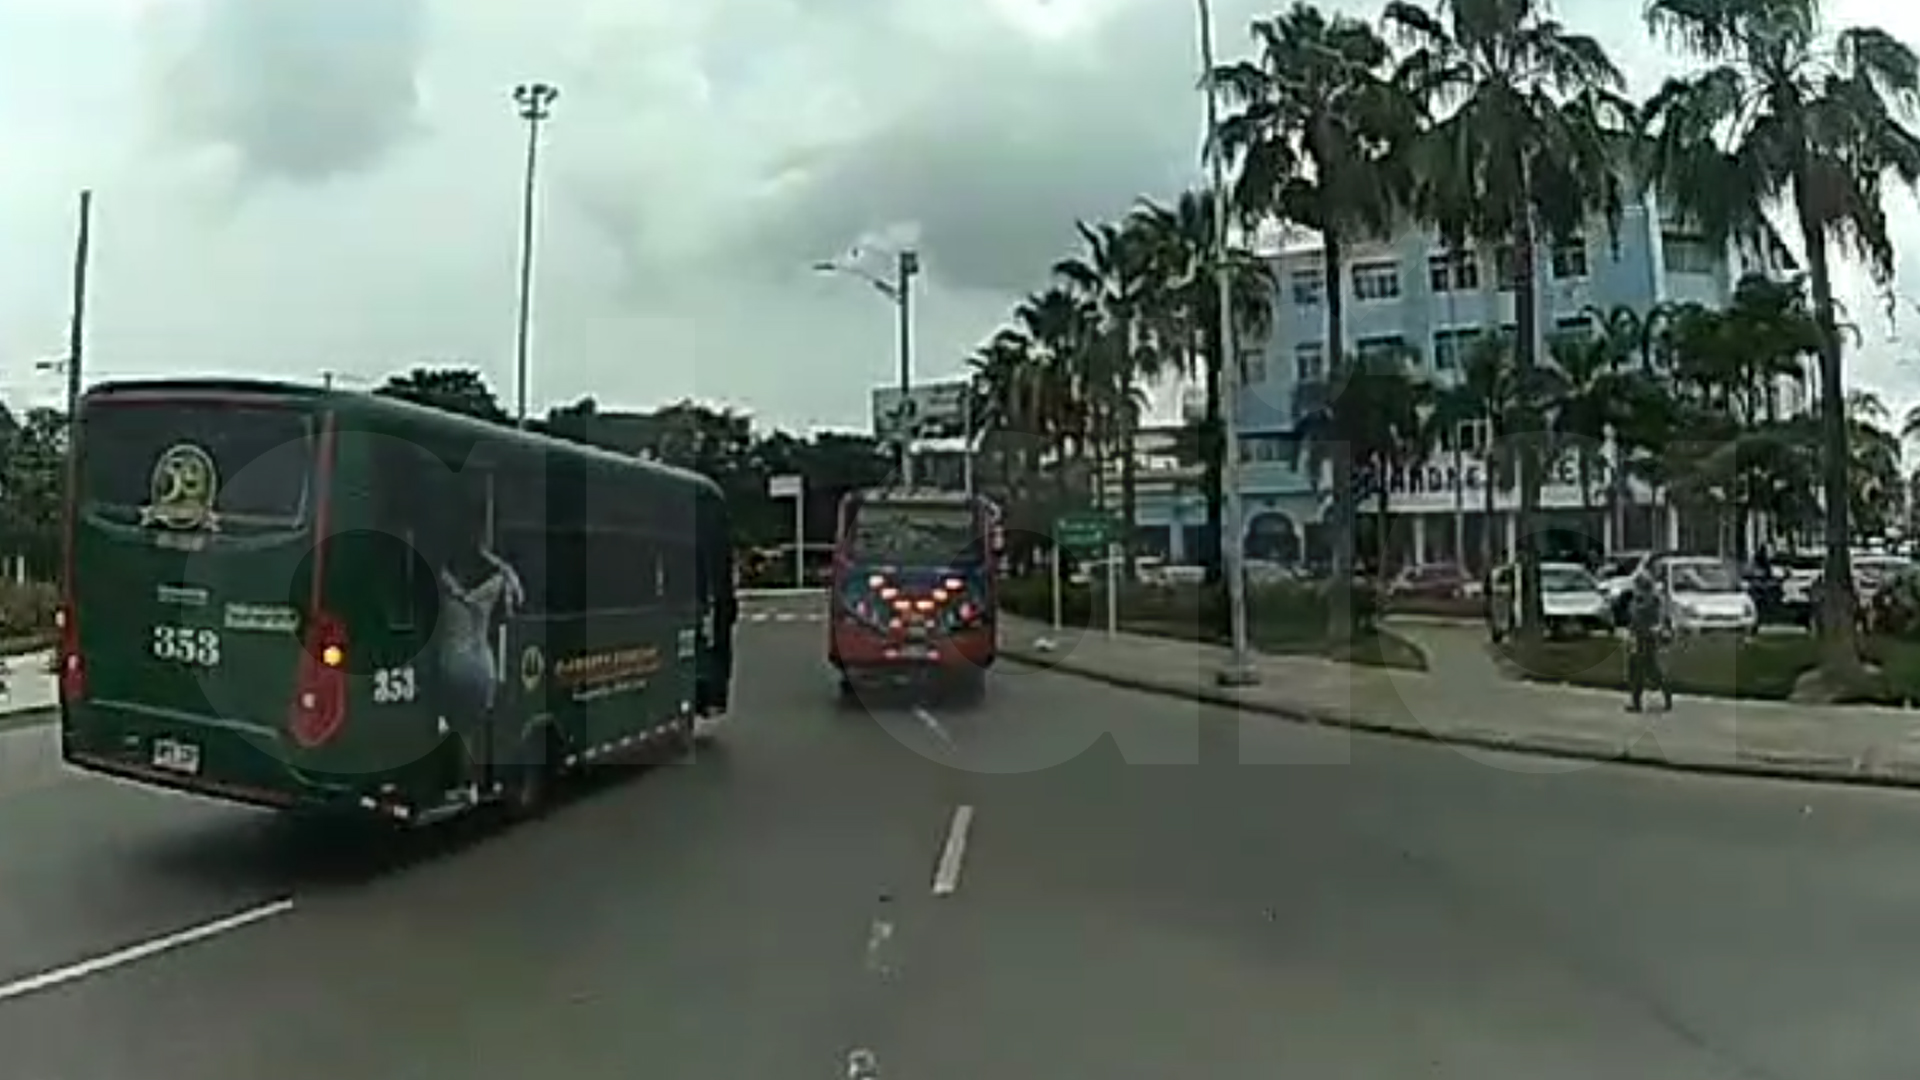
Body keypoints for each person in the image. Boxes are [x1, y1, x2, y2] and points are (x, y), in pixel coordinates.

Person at [1625, 571, 1671, 713]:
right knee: (1647, 669)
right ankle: (1665, 696)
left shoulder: (1645, 600)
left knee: (1640, 670)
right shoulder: (1652, 599)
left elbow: (1638, 617)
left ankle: (1637, 702)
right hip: (1644, 636)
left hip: (1643, 637)